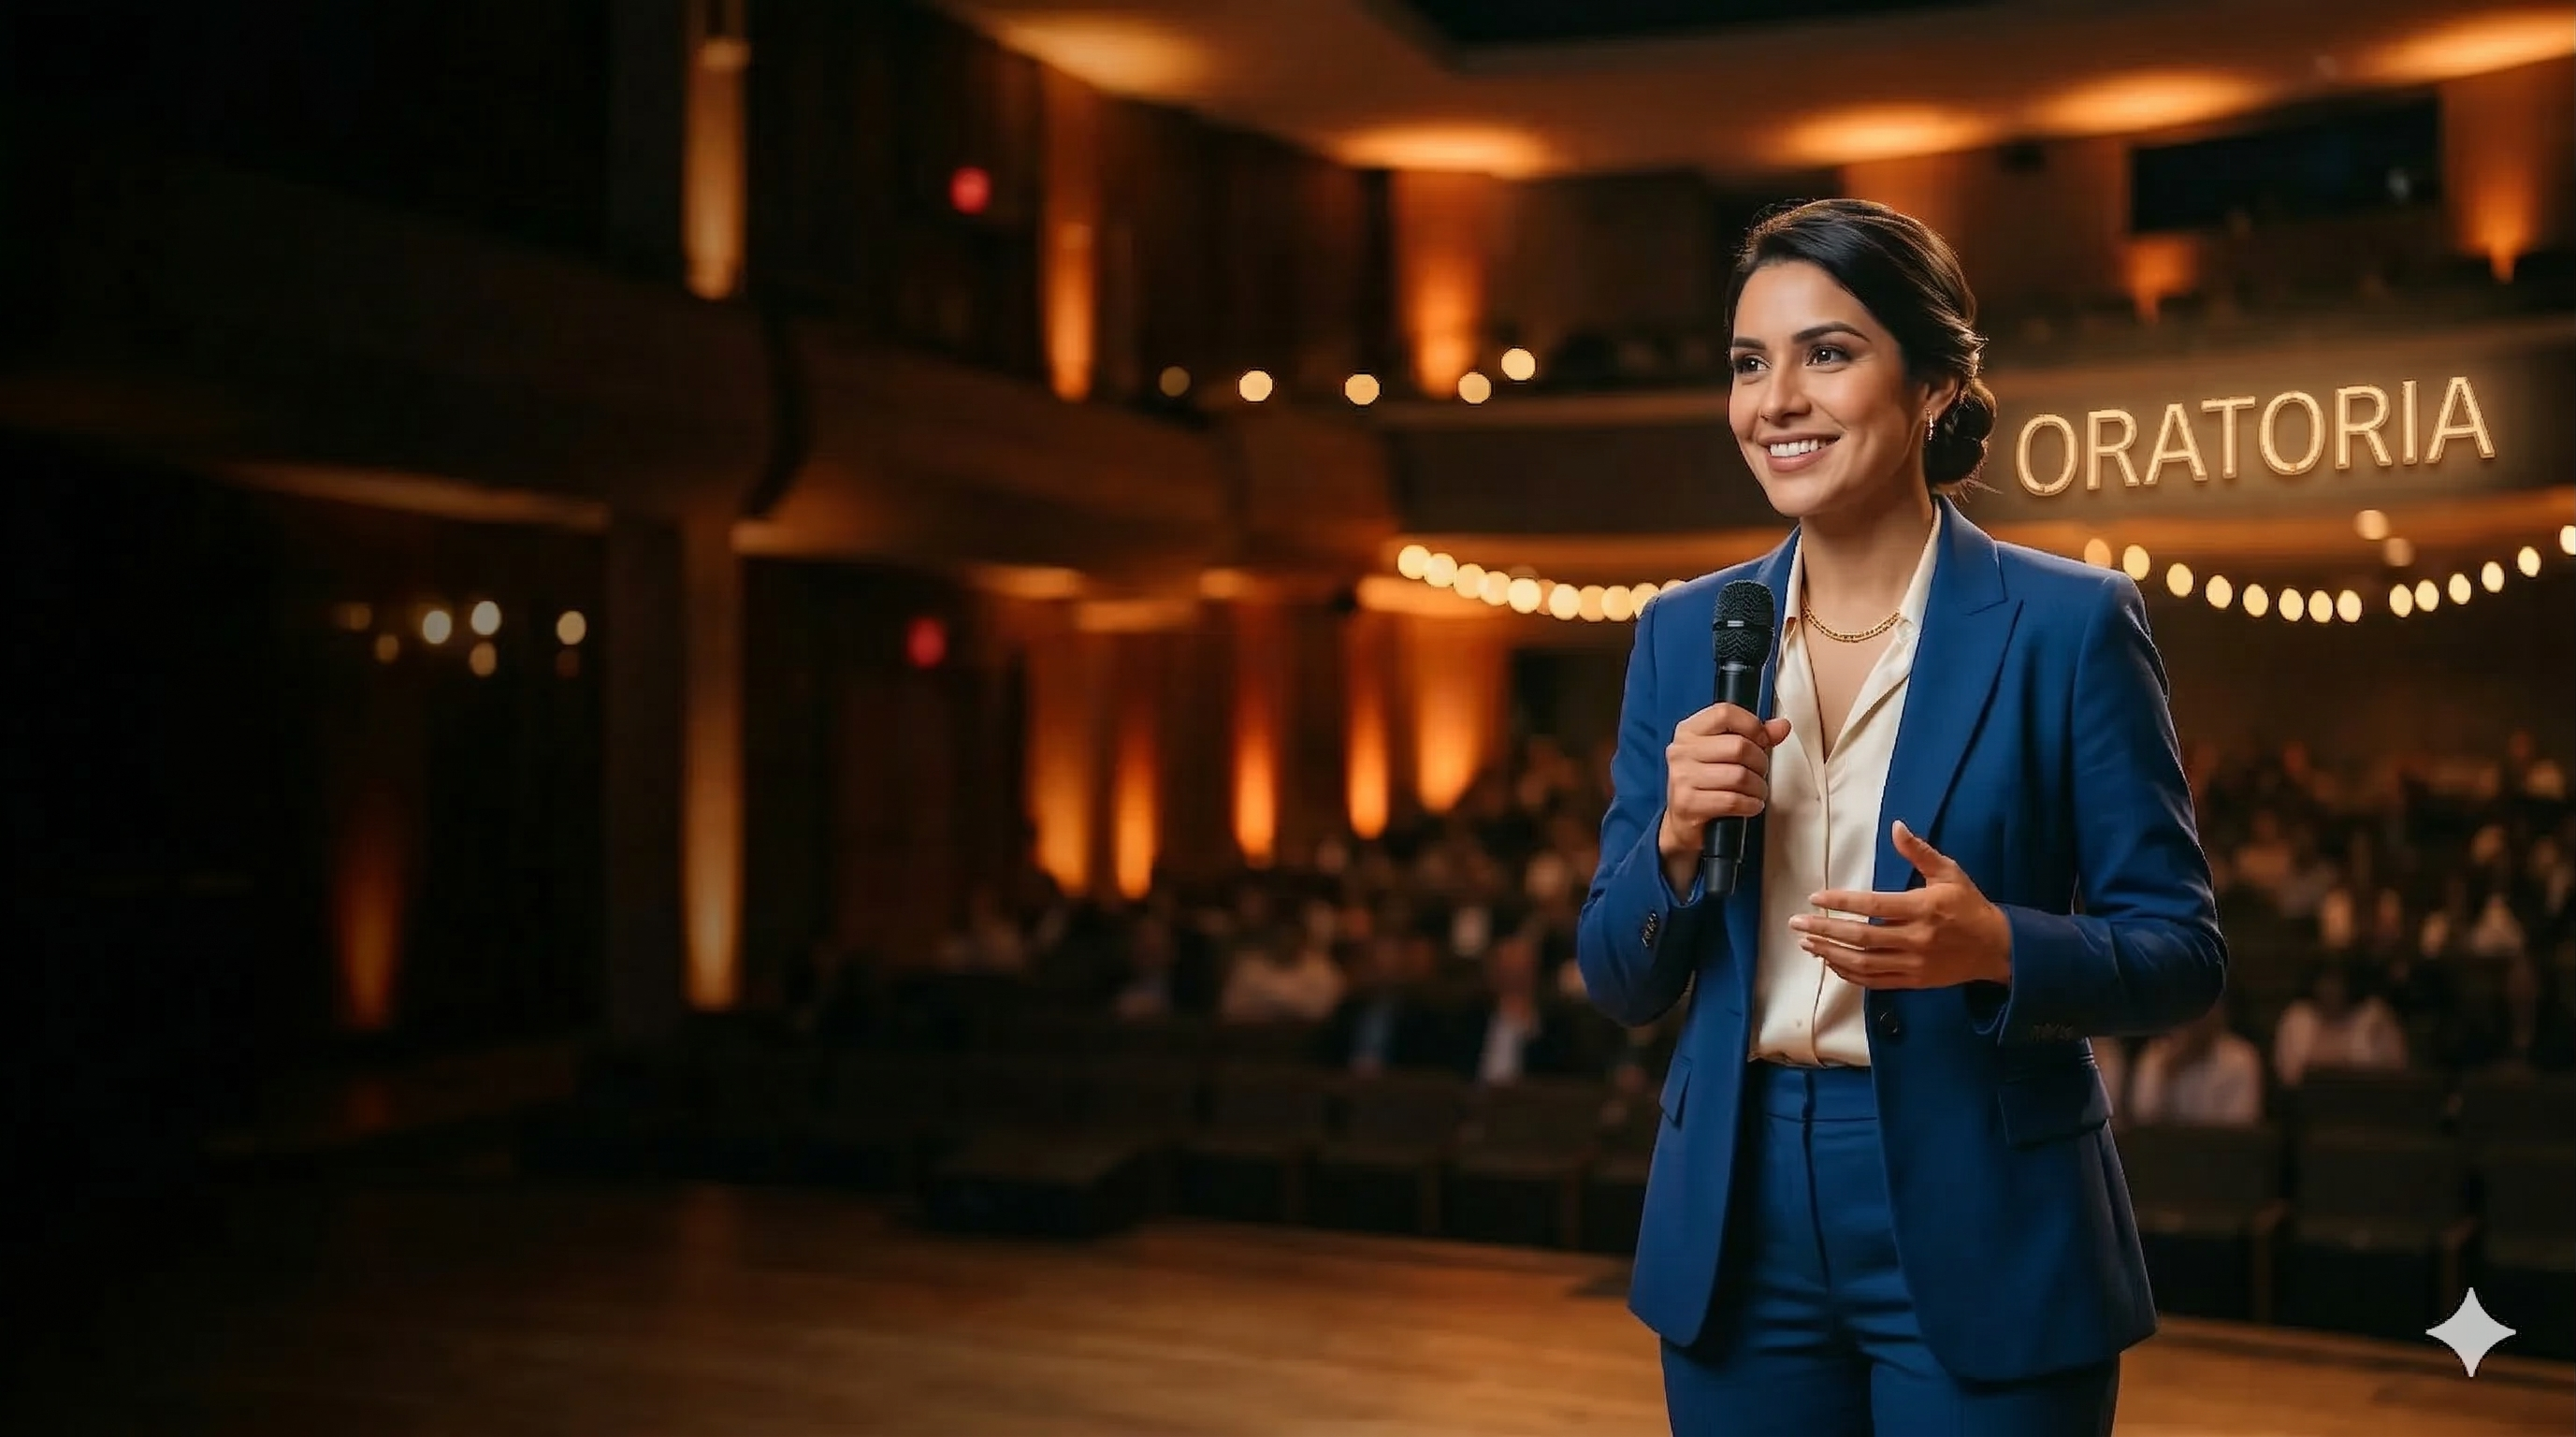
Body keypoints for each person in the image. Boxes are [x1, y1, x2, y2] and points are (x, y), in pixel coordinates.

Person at [1574, 198, 2223, 1437]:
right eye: (1748, 363)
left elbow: (2179, 953)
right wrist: (1670, 845)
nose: (1776, 401)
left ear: (1933, 385)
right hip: (1736, 1207)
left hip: (1988, 1202)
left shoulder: (2070, 624)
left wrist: (1999, 948)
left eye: (1826, 352)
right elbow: (1617, 976)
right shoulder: (1679, 633)